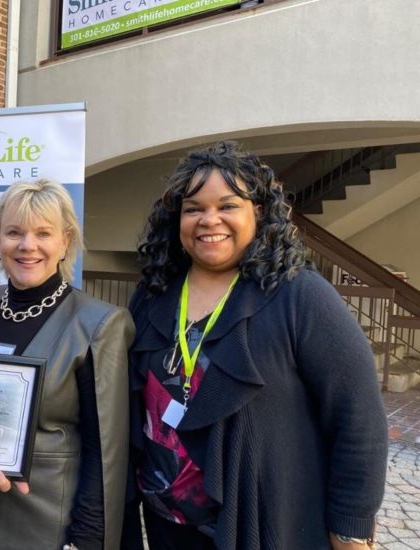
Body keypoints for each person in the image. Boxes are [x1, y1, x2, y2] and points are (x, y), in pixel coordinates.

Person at [123, 141, 388, 549]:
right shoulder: (154, 294)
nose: (209, 220)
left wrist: (350, 528)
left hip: (262, 527)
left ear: (258, 213)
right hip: (166, 528)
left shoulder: (300, 297)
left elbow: (359, 419)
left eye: (227, 206)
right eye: (193, 208)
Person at [0, 178, 135, 550]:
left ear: (66, 240)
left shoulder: (99, 324)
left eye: (43, 233)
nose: (28, 246)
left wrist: (85, 542)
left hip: (40, 529)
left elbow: (104, 451)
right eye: (14, 232)